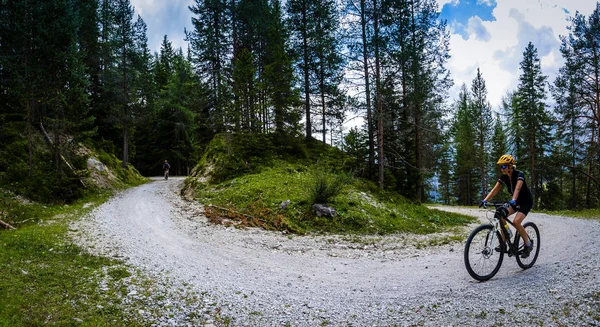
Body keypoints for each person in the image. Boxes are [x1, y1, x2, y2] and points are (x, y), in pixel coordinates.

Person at [480, 154, 534, 258]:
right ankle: (504, 241)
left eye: (504, 166)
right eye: (501, 167)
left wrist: (513, 200)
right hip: (515, 201)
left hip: (526, 201)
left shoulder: (519, 174)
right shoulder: (504, 177)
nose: (502, 169)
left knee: (516, 222)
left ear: (510, 166)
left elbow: (518, 188)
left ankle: (528, 244)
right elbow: (495, 189)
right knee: (501, 215)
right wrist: (485, 200)